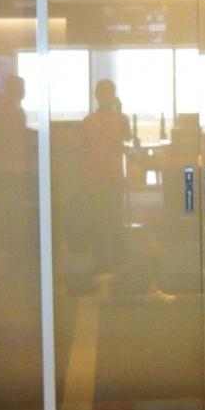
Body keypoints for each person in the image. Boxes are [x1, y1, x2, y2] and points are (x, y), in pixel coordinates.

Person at [80, 78, 131, 276]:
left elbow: (83, 150)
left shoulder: (90, 121)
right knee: (111, 220)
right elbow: (128, 137)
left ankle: (106, 263)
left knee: (105, 221)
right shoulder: (113, 120)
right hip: (104, 177)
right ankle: (115, 262)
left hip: (102, 177)